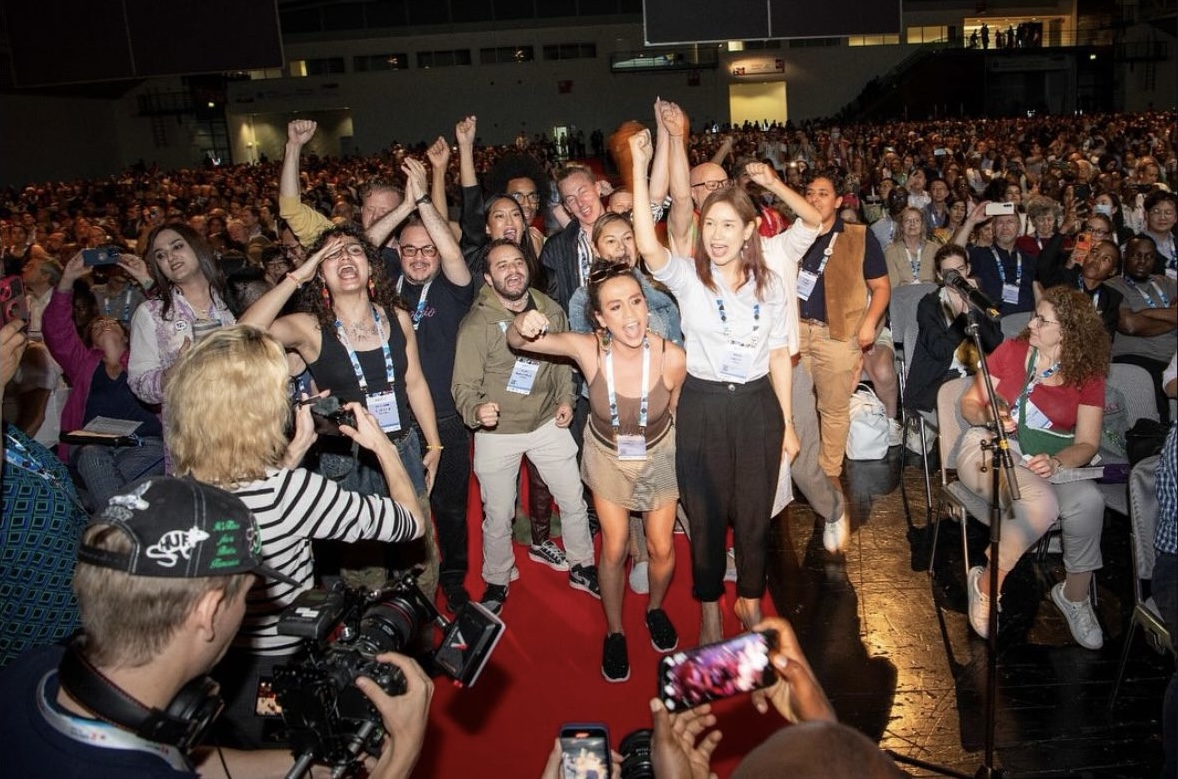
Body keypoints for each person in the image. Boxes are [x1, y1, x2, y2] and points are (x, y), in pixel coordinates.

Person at [0, 476, 433, 779]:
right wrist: (400, 761)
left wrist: (307, 766)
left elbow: (181, 759)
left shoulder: (35, 671)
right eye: (245, 593)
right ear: (208, 612)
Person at [164, 325, 425, 747]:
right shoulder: (291, 493)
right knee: (291, 750)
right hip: (281, 663)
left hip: (209, 669)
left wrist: (293, 453)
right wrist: (385, 450)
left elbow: (250, 495)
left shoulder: (175, 490)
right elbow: (410, 522)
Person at [631, 128, 807, 644]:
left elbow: (779, 355)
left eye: (730, 224)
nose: (717, 234)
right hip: (705, 406)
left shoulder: (770, 283)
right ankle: (709, 606)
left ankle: (749, 599)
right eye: (711, 224)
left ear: (750, 230)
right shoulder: (687, 276)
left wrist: (788, 424)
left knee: (754, 515)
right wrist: (643, 173)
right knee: (705, 518)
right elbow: (647, 243)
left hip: (758, 407)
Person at [507, 258, 687, 682]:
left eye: (636, 302)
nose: (631, 316)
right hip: (607, 456)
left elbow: (678, 413)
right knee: (615, 546)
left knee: (661, 548)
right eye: (617, 307)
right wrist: (522, 325)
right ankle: (615, 630)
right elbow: (519, 343)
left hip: (658, 454)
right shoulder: (588, 348)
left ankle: (656, 609)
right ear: (599, 317)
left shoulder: (671, 356)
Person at [452, 239, 601, 614]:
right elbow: (463, 386)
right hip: (497, 432)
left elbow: (566, 361)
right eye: (501, 266)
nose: (512, 270)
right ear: (488, 277)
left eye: (517, 262)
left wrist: (567, 398)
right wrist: (476, 410)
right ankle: (499, 579)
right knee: (498, 514)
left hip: (547, 423)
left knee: (572, 499)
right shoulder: (476, 324)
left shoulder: (550, 308)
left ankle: (582, 564)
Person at [957, 286, 1109, 649]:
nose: (1031, 323)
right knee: (1041, 503)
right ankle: (985, 584)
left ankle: (1073, 597)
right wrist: (992, 416)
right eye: (1034, 314)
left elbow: (1087, 444)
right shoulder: (1012, 351)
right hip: (989, 449)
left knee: (1089, 502)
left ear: (1068, 331)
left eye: (1043, 319)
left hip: (1047, 462)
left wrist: (1057, 461)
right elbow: (969, 404)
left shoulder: (1087, 374)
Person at [42, 251, 165, 507]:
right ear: (90, 340)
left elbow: (169, 319)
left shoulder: (148, 358)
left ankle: (103, 522)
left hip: (144, 444)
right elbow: (57, 329)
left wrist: (145, 279)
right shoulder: (82, 363)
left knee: (115, 483)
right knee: (92, 456)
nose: (105, 324)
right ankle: (113, 525)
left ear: (127, 334)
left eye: (112, 322)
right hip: (91, 444)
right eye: (98, 325)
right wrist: (66, 282)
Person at [127, 224, 235, 419]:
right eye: (160, 255)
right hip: (191, 436)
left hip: (249, 426)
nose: (170, 257)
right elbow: (139, 384)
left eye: (177, 246)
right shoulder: (152, 313)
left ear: (196, 247)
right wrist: (177, 369)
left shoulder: (234, 299)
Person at [904, 244, 1003, 415]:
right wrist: (964, 314)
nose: (956, 277)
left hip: (980, 372)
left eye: (960, 269)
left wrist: (974, 306)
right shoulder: (929, 305)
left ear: (968, 269)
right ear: (940, 275)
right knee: (974, 407)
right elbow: (940, 351)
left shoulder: (980, 299)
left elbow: (995, 343)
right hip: (943, 375)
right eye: (950, 273)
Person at [1106, 234, 1177, 423]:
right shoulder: (1113, 286)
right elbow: (1129, 325)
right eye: (1136, 255)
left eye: (1149, 256)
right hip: (1136, 359)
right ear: (1125, 256)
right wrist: (1171, 314)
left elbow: (1137, 322)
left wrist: (1144, 315)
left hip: (1173, 359)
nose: (1142, 261)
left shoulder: (1168, 283)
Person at [955, 202, 1038, 315]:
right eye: (1000, 222)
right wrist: (970, 222)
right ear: (993, 229)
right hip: (993, 323)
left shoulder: (1030, 260)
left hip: (1026, 323)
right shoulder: (980, 254)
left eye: (1010, 222)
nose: (1005, 227)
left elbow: (1039, 296)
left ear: (1019, 228)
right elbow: (952, 258)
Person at [883, 207, 938, 286]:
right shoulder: (891, 253)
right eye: (908, 221)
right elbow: (893, 287)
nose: (912, 224)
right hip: (902, 297)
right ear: (901, 226)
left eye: (917, 220)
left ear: (922, 225)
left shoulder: (934, 249)